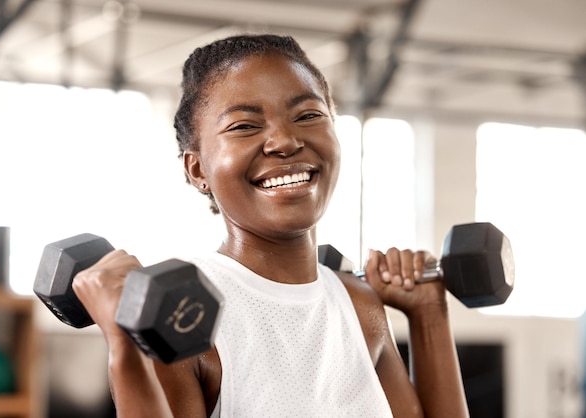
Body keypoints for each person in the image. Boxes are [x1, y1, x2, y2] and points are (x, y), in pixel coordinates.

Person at [72, 34, 469, 417]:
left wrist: (429, 314)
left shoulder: (359, 304)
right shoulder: (183, 313)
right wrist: (126, 346)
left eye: (309, 115)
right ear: (197, 170)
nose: (284, 141)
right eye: (244, 125)